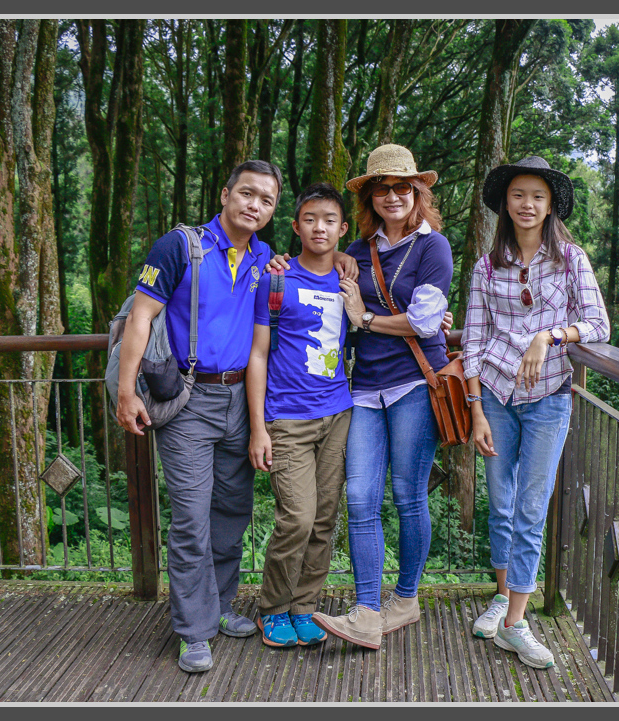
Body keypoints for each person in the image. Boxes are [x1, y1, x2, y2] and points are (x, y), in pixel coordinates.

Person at [115, 160, 355, 674]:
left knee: (231, 514)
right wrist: (125, 390)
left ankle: (222, 605)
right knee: (191, 519)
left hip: (241, 403)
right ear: (225, 195)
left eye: (266, 201)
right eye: (247, 194)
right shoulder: (181, 246)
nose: (255, 205)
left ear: (273, 213)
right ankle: (193, 630)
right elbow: (141, 315)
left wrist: (347, 265)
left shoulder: (266, 258)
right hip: (187, 399)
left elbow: (312, 274)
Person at [461, 156, 610, 669]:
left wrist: (550, 335)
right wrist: (476, 410)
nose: (527, 205)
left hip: (549, 398)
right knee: (500, 502)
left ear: (550, 207)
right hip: (497, 398)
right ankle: (502, 598)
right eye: (518, 195)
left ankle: (516, 624)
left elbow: (597, 324)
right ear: (506, 202)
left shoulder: (571, 259)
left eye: (537, 197)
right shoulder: (486, 266)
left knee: (531, 505)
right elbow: (474, 343)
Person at [309, 144, 454, 650]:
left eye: (402, 187)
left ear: (417, 192)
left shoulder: (433, 247)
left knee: (408, 495)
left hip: (416, 382)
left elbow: (425, 321)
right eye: (382, 188)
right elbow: (326, 279)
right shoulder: (363, 250)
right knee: (360, 497)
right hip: (365, 386)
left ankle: (407, 598)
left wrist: (365, 320)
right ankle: (367, 611)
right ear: (369, 196)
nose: (392, 196)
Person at [246, 183, 353, 648]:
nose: (320, 227)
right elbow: (257, 356)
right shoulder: (276, 280)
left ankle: (305, 606)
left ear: (342, 228)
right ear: (296, 226)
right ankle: (271, 608)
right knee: (298, 518)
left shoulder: (351, 282)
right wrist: (257, 428)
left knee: (325, 518)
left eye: (329, 220)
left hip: (339, 413)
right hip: (287, 418)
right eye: (310, 219)